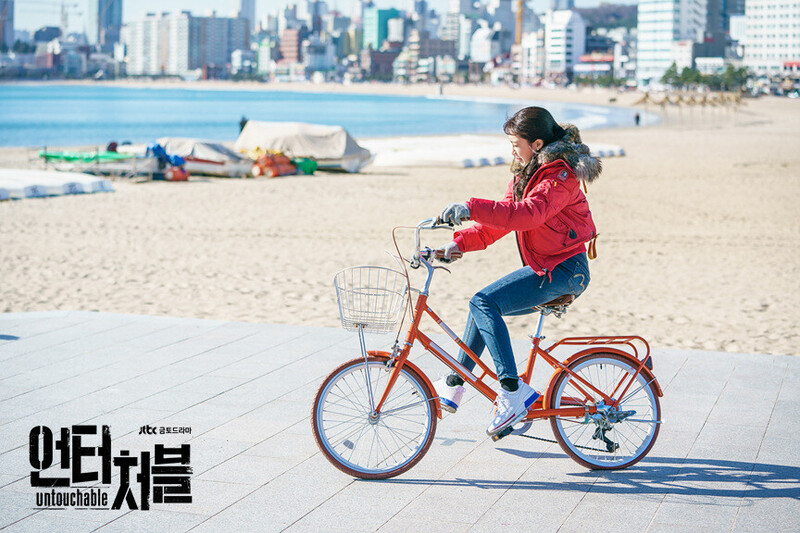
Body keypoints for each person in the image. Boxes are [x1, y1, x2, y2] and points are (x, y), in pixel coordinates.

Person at [434, 106, 601, 436]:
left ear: (536, 144)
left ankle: (512, 392)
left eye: (516, 143)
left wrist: (470, 206)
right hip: (548, 268)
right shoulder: (528, 177)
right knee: (482, 309)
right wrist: (456, 245)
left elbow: (528, 215)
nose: (512, 149)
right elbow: (498, 224)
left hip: (566, 270)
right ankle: (455, 383)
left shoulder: (560, 177)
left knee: (484, 302)